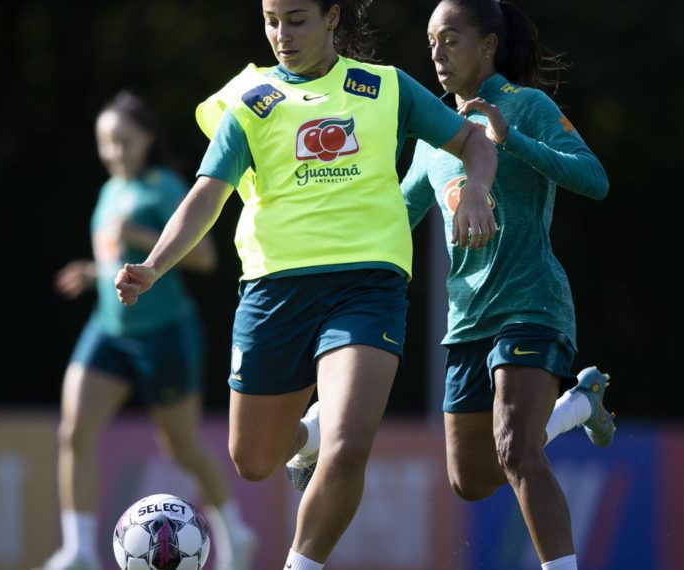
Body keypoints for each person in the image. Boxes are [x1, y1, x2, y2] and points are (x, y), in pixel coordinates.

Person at [113, 0, 499, 567]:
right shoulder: (249, 104)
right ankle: (306, 437)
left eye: (296, 19)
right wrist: (153, 265)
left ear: (332, 17)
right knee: (254, 459)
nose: (281, 34)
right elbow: (205, 196)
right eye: (271, 20)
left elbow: (474, 142)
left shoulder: (386, 87)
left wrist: (475, 191)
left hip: (368, 285)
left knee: (348, 449)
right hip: (275, 291)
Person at [400, 1, 614, 569]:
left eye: (450, 39)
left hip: (532, 304)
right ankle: (576, 408)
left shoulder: (528, 106)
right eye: (431, 43)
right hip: (467, 320)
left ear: (488, 45)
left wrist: (510, 139)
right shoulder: (431, 134)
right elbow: (397, 216)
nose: (437, 54)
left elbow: (595, 180)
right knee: (470, 479)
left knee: (517, 449)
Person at [36, 91, 256, 570]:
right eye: (106, 143)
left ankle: (235, 533)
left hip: (164, 334)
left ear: (148, 139)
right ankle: (78, 551)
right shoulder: (109, 190)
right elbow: (118, 261)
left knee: (180, 446)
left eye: (124, 141)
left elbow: (204, 257)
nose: (115, 152)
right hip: (109, 329)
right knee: (74, 432)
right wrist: (95, 271)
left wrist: (140, 237)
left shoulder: (163, 188)